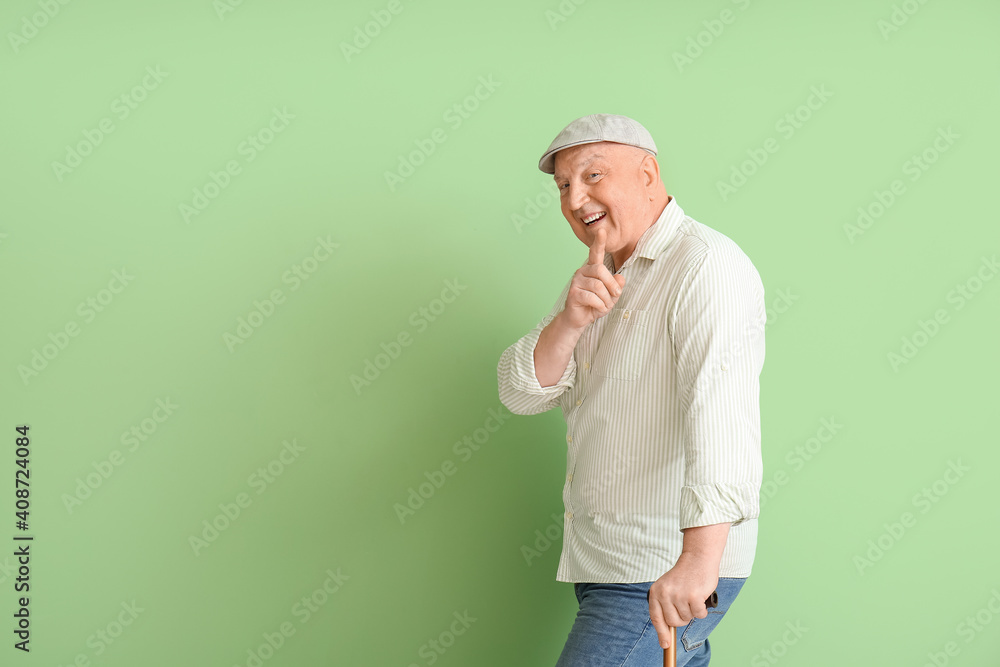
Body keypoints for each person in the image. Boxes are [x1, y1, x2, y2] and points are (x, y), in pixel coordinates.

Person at [497, 114, 766, 666]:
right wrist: (570, 321)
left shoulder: (705, 265)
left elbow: (722, 417)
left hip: (661, 568)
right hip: (604, 565)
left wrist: (697, 560)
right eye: (564, 186)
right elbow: (521, 394)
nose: (576, 198)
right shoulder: (597, 278)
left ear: (648, 174)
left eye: (593, 176)